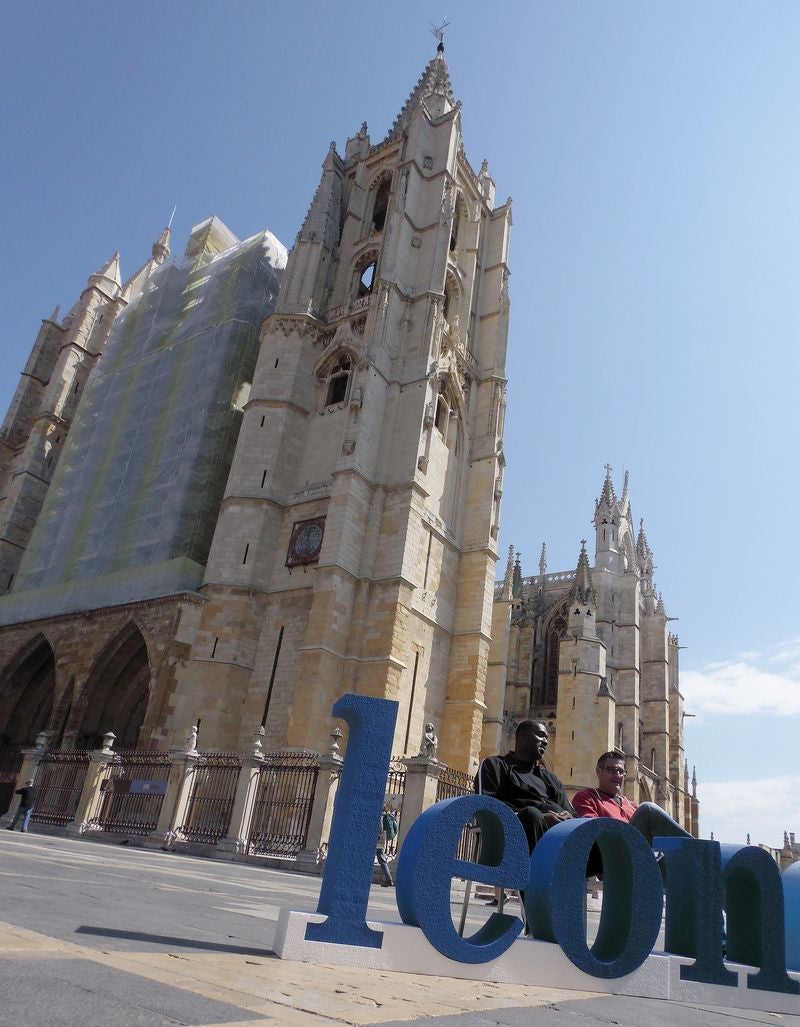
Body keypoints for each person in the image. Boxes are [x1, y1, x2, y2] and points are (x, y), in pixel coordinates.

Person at [476, 720, 575, 856]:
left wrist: (568, 818)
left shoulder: (550, 778)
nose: (545, 741)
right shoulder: (495, 765)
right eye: (540, 735)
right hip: (513, 836)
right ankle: (536, 875)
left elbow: (572, 814)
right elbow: (486, 807)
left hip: (558, 839)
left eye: (547, 737)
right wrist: (541, 819)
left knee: (602, 828)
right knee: (532, 814)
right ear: (522, 737)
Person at [572, 751, 692, 845]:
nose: (617, 775)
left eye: (621, 771)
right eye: (611, 770)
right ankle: (699, 849)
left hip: (643, 854)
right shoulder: (587, 797)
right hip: (614, 856)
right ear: (599, 771)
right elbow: (593, 828)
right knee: (648, 808)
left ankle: (696, 852)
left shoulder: (631, 805)